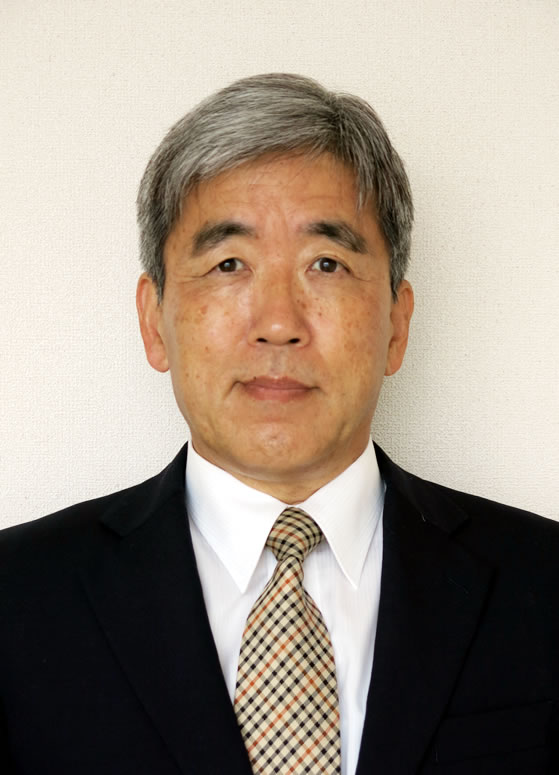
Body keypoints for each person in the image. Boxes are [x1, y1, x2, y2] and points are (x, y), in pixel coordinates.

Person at [0, 74, 557, 775]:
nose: (277, 323)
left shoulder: (543, 587)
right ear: (154, 321)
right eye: (228, 264)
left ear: (396, 324)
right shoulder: (17, 599)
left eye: (326, 263)